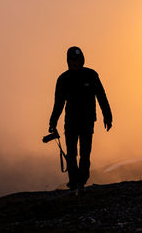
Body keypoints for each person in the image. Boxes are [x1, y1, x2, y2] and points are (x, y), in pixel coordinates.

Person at [49, 46, 113, 192]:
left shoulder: (91, 75)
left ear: (81, 59)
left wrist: (107, 116)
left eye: (77, 60)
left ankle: (81, 182)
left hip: (87, 121)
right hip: (70, 122)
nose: (75, 63)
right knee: (71, 154)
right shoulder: (63, 79)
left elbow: (101, 96)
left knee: (85, 153)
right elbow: (58, 103)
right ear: (68, 61)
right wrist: (53, 122)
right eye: (72, 60)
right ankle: (73, 182)